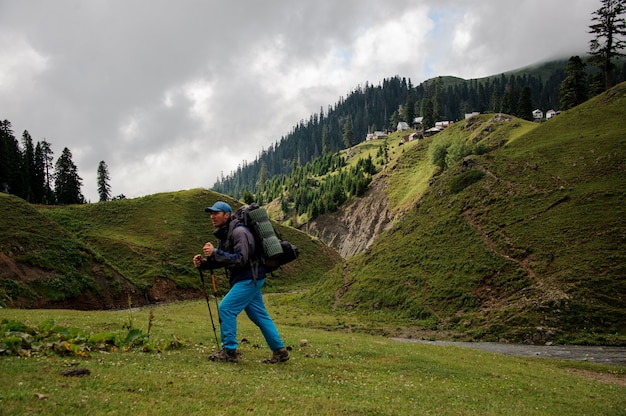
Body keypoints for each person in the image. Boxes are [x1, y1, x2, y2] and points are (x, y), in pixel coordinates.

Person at [193, 201, 289, 364]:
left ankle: (229, 352)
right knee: (259, 315)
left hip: (249, 278)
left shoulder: (239, 232)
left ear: (227, 215)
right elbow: (225, 259)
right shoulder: (226, 234)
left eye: (216, 213)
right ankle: (280, 351)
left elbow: (240, 259)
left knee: (226, 308)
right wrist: (205, 263)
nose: (212, 216)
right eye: (211, 213)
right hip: (250, 277)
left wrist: (215, 252)